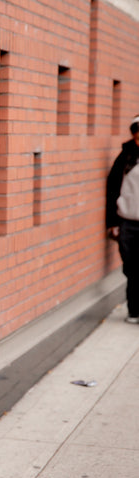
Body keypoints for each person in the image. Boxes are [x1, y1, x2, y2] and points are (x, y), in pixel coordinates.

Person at [106, 115, 139, 325]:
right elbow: (112, 190)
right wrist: (112, 223)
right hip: (127, 222)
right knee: (131, 268)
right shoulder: (125, 157)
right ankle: (134, 310)